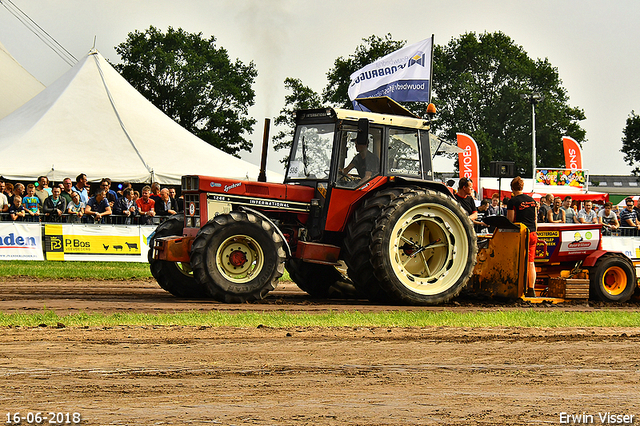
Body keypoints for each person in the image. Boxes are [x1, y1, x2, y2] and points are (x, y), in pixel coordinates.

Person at [507, 176, 538, 298]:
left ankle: (519, 288)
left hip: (522, 234)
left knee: (518, 261)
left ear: (512, 188)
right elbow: (535, 219)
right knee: (531, 262)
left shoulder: (513, 201)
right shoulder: (532, 201)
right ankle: (531, 288)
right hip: (533, 233)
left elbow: (510, 221)